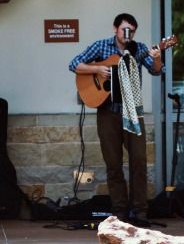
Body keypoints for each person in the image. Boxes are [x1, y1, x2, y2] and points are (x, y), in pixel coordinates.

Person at [69, 13, 164, 227]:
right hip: (107, 112)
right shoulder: (101, 46)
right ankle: (120, 213)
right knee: (113, 164)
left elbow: (156, 71)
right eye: (124, 29)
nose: (127, 34)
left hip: (132, 111)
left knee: (139, 161)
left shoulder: (138, 49)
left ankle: (140, 212)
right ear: (115, 29)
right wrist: (97, 69)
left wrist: (157, 56)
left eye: (131, 30)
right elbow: (74, 64)